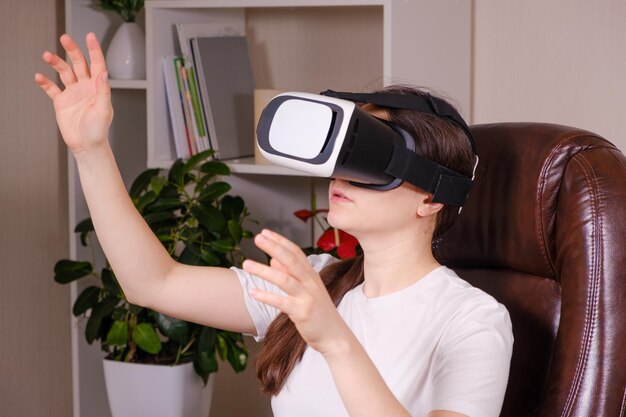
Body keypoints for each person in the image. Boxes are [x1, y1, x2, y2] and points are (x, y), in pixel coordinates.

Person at [35, 33, 513, 417]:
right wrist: (90, 149)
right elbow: (152, 283)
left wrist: (334, 340)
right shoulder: (315, 282)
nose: (341, 176)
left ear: (430, 197)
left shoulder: (472, 322)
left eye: (369, 161)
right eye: (342, 157)